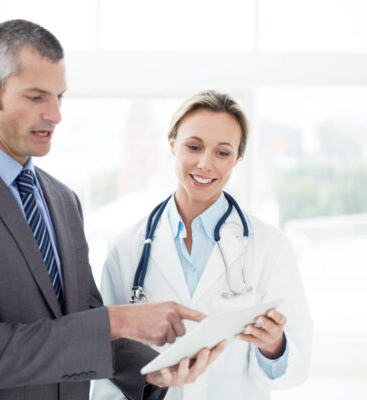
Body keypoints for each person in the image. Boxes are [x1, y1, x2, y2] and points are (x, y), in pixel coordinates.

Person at [0, 19, 225, 400]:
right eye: (36, 97)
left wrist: (152, 372)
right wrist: (118, 319)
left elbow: (82, 316)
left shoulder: (61, 199)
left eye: (59, 97)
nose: (55, 115)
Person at [92, 91, 313, 400]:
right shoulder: (126, 249)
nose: (205, 164)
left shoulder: (270, 248)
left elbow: (298, 364)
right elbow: (103, 362)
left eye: (222, 153)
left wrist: (274, 346)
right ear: (172, 143)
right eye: (193, 147)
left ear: (237, 158)